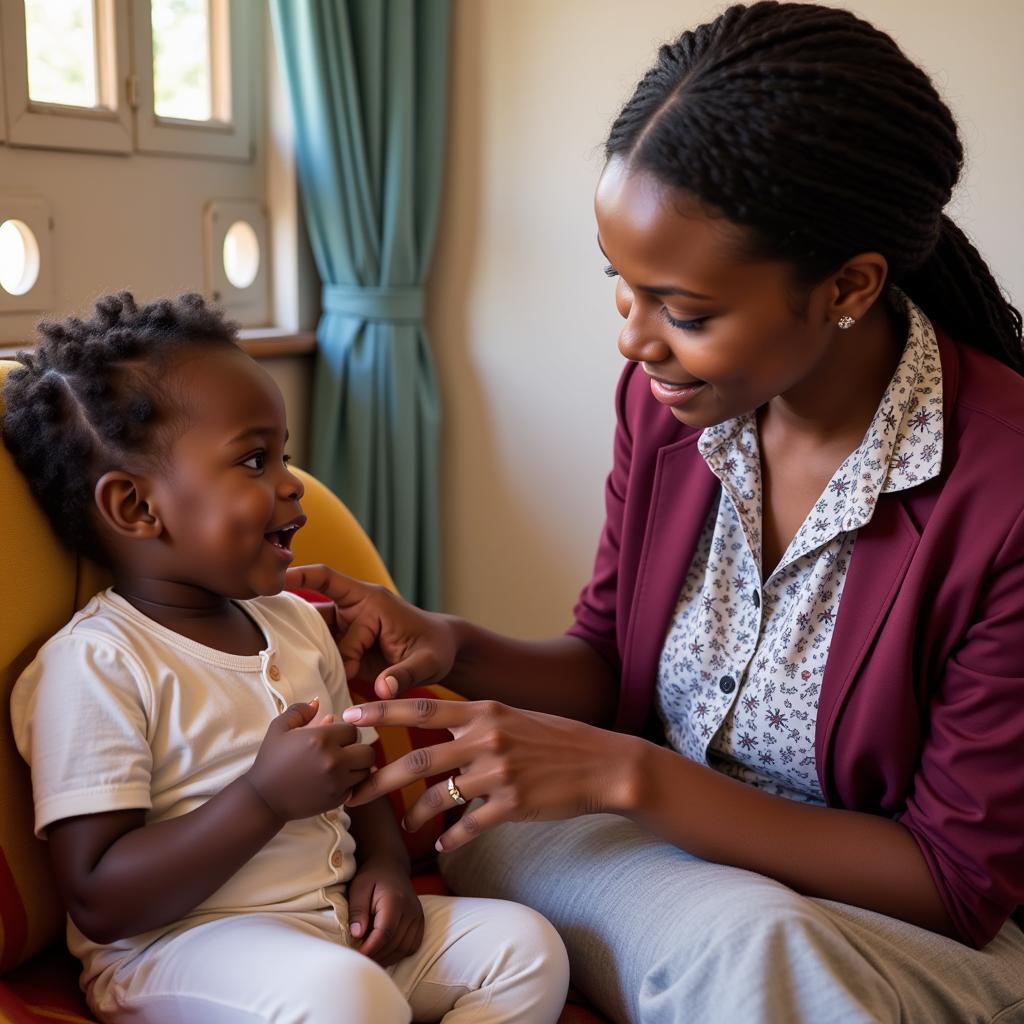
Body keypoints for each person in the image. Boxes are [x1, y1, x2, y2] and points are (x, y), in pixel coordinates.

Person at [285, 3, 1024, 1022]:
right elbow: (607, 663)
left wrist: (628, 778)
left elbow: (954, 881)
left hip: (893, 913)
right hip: (670, 858)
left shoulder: (1004, 486)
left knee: (758, 947)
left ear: (847, 286)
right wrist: (444, 637)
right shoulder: (673, 406)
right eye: (621, 288)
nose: (635, 342)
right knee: (486, 823)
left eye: (685, 311)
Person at [2, 292, 570, 1024]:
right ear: (138, 508)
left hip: (327, 929)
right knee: (348, 997)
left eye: (285, 455)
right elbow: (101, 897)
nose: (292, 483)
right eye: (253, 459)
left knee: (526, 949)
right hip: (178, 949)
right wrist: (263, 798)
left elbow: (362, 785)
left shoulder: (299, 627)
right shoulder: (96, 666)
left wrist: (389, 869)